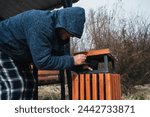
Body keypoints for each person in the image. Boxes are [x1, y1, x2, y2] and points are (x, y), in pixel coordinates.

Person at [0, 7, 86, 100]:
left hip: (17, 54)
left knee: (30, 83)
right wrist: (72, 60)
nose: (66, 38)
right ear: (63, 24)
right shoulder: (41, 24)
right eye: (68, 34)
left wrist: (77, 66)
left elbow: (60, 55)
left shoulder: (56, 33)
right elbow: (42, 62)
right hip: (3, 47)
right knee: (16, 86)